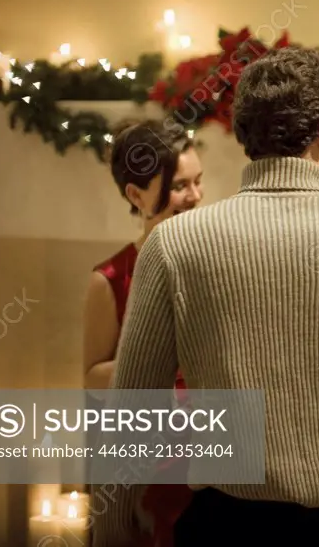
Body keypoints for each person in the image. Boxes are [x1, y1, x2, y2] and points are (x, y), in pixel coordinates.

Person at [93, 46, 319, 547]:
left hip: (226, 524)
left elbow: (133, 405)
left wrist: (110, 524)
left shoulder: (175, 243)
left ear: (245, 134)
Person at [83, 119, 203, 547]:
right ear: (136, 195)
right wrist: (157, 361)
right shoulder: (111, 278)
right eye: (179, 186)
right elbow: (93, 377)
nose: (195, 197)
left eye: (198, 182)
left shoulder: (214, 266)